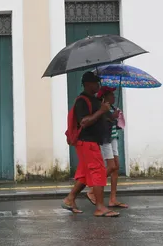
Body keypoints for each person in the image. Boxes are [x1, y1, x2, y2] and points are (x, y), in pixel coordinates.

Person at [62, 72, 119, 217]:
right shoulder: (82, 100)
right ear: (87, 84)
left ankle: (69, 199)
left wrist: (110, 115)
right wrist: (101, 111)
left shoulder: (95, 100)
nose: (98, 85)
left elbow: (100, 119)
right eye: (95, 83)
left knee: (85, 174)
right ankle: (100, 207)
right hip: (87, 142)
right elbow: (84, 121)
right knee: (98, 172)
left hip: (92, 142)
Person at [86, 87, 128, 209]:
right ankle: (92, 190)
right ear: (105, 97)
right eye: (112, 95)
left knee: (116, 167)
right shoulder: (101, 107)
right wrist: (112, 117)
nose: (114, 97)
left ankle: (113, 199)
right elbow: (101, 121)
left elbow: (115, 124)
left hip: (113, 137)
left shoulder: (111, 108)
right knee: (111, 166)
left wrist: (117, 118)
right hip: (105, 139)